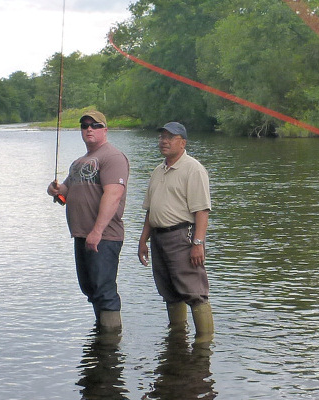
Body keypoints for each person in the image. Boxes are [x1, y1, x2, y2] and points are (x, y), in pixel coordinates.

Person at [48, 110, 129, 332]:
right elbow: (66, 192)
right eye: (85, 126)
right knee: (90, 289)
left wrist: (97, 231)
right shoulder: (78, 163)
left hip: (103, 237)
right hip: (82, 235)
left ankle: (110, 341)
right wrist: (54, 190)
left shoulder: (113, 157)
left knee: (104, 290)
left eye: (95, 125)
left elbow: (113, 195)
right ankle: (100, 335)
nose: (89, 129)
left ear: (105, 130)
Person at [138, 122, 214, 343]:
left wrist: (198, 243)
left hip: (182, 236)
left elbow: (202, 211)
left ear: (183, 142)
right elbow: (150, 210)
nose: (164, 141)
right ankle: (177, 339)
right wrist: (143, 241)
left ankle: (204, 344)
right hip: (158, 238)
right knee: (169, 291)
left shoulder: (193, 169)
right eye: (162, 137)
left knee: (195, 293)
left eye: (170, 137)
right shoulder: (158, 171)